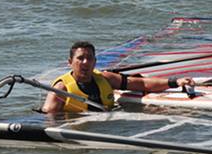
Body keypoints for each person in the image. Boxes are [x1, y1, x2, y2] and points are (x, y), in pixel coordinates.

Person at [42, 41, 196, 114]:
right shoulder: (61, 89)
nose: (85, 62)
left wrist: (175, 81)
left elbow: (141, 83)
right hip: (78, 127)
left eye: (89, 58)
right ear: (70, 62)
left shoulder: (106, 78)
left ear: (95, 62)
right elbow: (48, 119)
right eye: (80, 58)